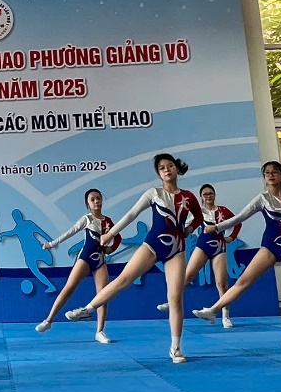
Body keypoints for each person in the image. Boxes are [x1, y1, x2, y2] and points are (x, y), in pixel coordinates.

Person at [64, 155, 200, 363]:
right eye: (162, 168)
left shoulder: (188, 197)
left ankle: (176, 348)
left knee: (175, 298)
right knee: (122, 280)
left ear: (176, 169)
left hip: (176, 249)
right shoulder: (154, 193)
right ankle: (88, 309)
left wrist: (189, 229)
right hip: (153, 245)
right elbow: (131, 215)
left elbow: (198, 217)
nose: (166, 170)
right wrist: (110, 234)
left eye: (170, 166)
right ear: (158, 173)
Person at [193, 160, 281, 349]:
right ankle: (213, 310)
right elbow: (239, 218)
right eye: (267, 172)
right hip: (269, 246)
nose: (271, 175)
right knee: (243, 282)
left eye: (275, 172)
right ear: (264, 178)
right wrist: (217, 227)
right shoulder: (262, 199)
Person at [35, 188, 120, 342]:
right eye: (92, 199)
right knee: (69, 287)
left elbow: (118, 237)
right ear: (87, 203)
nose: (96, 201)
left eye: (98, 198)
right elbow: (70, 232)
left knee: (103, 294)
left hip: (100, 260)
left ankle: (100, 331)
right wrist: (52, 244)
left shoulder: (108, 221)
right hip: (86, 258)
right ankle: (48, 320)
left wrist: (110, 249)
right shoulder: (87, 219)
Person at [158, 184, 240, 329]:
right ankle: (171, 302)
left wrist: (232, 237)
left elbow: (237, 222)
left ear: (215, 194)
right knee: (187, 276)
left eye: (210, 193)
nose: (208, 196)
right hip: (202, 246)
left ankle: (225, 316)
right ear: (201, 197)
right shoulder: (199, 212)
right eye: (205, 194)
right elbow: (187, 225)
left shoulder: (223, 210)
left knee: (222, 283)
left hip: (219, 247)